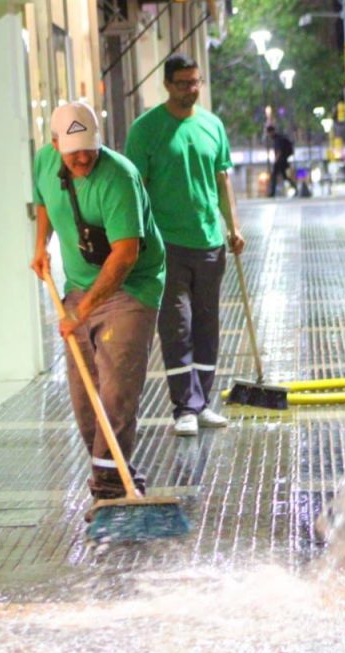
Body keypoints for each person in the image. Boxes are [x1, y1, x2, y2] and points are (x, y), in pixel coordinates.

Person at [30, 102, 166, 510]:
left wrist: (81, 311)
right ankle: (116, 474)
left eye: (89, 149)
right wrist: (40, 245)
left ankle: (109, 489)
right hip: (78, 287)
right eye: (73, 153)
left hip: (131, 288)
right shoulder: (43, 162)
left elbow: (125, 256)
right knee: (84, 398)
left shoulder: (118, 177)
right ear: (55, 145)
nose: (83, 159)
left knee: (116, 391)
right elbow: (43, 200)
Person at [125, 53, 244, 436]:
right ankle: (184, 408)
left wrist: (233, 226)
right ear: (167, 84)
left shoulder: (212, 125)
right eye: (182, 83)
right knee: (177, 326)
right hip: (167, 245)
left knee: (208, 325)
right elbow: (136, 189)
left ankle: (202, 402)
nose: (190, 90)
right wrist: (139, 238)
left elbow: (222, 179)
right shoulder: (146, 130)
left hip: (210, 242)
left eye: (195, 82)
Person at [266, 125, 297, 198]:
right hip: (284, 160)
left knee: (274, 176)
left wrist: (276, 160)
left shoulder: (277, 139)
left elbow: (279, 151)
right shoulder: (280, 137)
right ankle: (295, 188)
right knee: (285, 176)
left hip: (280, 161)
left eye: (269, 133)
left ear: (271, 132)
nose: (268, 135)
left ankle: (272, 193)